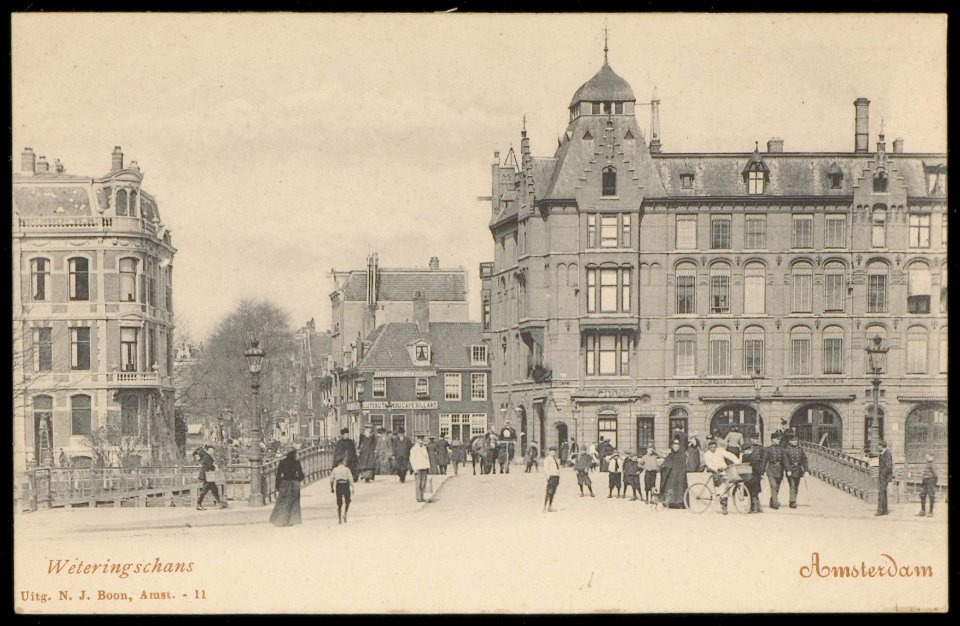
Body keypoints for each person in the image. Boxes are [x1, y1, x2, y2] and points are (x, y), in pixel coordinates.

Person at [702, 438, 740, 514]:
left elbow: (729, 455)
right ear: (709, 447)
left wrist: (737, 462)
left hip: (724, 471)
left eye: (714, 447)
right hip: (714, 472)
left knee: (727, 487)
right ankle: (724, 507)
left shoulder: (720, 451)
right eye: (711, 447)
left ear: (716, 446)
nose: (713, 448)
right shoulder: (707, 455)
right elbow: (709, 464)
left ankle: (724, 503)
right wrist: (716, 469)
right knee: (722, 488)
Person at [270, 447, 305, 527]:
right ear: (293, 454)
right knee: (294, 502)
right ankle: (292, 520)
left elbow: (278, 475)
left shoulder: (282, 462)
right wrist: (297, 480)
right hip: (294, 483)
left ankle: (281, 520)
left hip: (285, 482)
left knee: (283, 502)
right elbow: (301, 475)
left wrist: (277, 486)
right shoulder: (297, 463)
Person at [658, 434, 688, 509]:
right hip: (671, 476)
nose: (676, 446)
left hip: (680, 476)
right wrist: (664, 467)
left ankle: (680, 502)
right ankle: (671, 502)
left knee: (679, 488)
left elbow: (684, 438)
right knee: (670, 487)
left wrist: (678, 432)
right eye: (674, 444)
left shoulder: (682, 454)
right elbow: (666, 464)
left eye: (677, 444)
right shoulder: (670, 454)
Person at [194, 446, 225, 510]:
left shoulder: (206, 456)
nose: (212, 452)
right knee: (205, 490)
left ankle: (218, 503)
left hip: (208, 475)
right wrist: (213, 468)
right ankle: (198, 504)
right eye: (211, 450)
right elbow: (207, 466)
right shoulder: (207, 457)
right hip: (208, 475)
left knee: (214, 489)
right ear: (208, 450)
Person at [783, 433, 809, 509]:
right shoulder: (786, 450)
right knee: (792, 485)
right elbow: (786, 461)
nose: (795, 442)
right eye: (793, 440)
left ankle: (793, 500)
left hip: (798, 470)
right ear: (790, 441)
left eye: (796, 440)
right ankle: (792, 501)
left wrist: (806, 470)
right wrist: (788, 470)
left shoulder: (800, 450)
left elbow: (804, 460)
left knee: (796, 486)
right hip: (791, 470)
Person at [762, 431, 785, 510]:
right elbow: (764, 461)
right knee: (773, 486)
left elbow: (785, 461)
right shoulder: (768, 449)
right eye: (777, 439)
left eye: (779, 439)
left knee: (777, 487)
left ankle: (772, 501)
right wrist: (762, 471)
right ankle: (775, 503)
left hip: (780, 470)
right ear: (772, 440)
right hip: (771, 470)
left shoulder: (782, 449)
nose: (779, 440)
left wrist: (788, 470)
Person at [741, 440, 765, 513]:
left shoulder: (746, 456)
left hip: (750, 476)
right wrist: (760, 473)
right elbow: (756, 466)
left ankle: (754, 508)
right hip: (754, 476)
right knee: (754, 492)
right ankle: (758, 508)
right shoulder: (752, 456)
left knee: (752, 493)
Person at [329, 459, 354, 524]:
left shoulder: (335, 469)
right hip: (346, 485)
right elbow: (351, 478)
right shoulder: (347, 469)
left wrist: (332, 488)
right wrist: (352, 488)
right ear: (343, 462)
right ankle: (345, 513)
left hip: (339, 485)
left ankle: (339, 519)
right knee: (347, 501)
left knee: (339, 503)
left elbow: (331, 480)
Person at [409, 434, 431, 503]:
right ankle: (418, 497)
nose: (421, 441)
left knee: (423, 483)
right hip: (418, 467)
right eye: (420, 439)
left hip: (424, 467)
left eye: (422, 439)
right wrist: (414, 468)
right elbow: (412, 459)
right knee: (418, 483)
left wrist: (428, 466)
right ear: (417, 440)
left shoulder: (424, 447)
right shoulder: (414, 448)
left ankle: (422, 496)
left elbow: (427, 458)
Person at [876, 440, 894, 516]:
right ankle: (885, 510)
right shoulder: (881, 454)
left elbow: (889, 466)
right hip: (882, 476)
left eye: (878, 446)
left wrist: (883, 474)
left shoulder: (888, 454)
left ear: (881, 446)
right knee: (883, 492)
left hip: (885, 476)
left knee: (881, 493)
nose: (877, 447)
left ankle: (880, 510)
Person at [918, 453, 938, 517]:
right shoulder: (927, 463)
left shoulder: (932, 464)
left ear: (931, 456)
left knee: (931, 496)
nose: (926, 456)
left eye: (927, 455)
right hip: (925, 481)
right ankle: (923, 511)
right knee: (922, 495)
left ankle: (930, 512)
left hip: (930, 481)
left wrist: (934, 484)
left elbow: (935, 475)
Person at [543, 446, 561, 512]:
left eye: (555, 451)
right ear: (549, 452)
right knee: (548, 492)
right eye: (552, 451)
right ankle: (544, 507)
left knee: (553, 492)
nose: (553, 453)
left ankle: (550, 506)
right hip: (551, 477)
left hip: (556, 477)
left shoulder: (555, 459)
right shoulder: (547, 459)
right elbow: (546, 469)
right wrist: (548, 477)